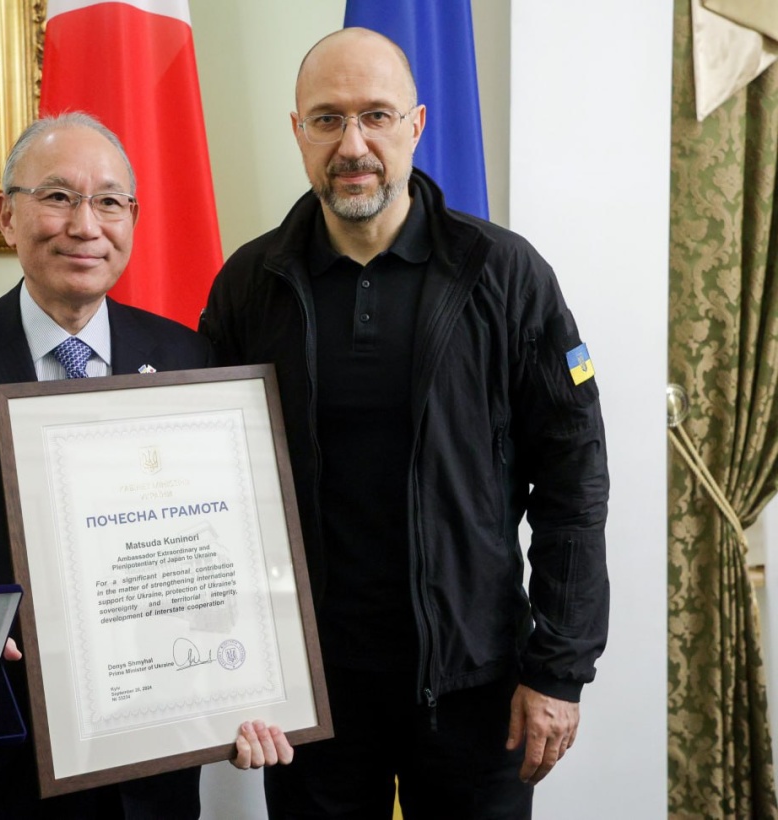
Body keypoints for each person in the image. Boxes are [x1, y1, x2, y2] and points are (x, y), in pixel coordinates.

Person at [199, 28, 610, 819]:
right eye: (326, 120)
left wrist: (558, 669)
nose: (352, 144)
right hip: (312, 690)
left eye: (375, 116)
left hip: (475, 686)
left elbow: (574, 481)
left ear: (416, 125)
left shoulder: (505, 273)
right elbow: (208, 485)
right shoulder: (252, 283)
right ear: (298, 132)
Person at [0, 112, 288, 818]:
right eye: (57, 197)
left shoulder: (191, 361)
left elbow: (221, 550)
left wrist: (254, 689)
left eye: (110, 201)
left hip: (151, 763)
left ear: (132, 222)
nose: (86, 225)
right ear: (6, 216)